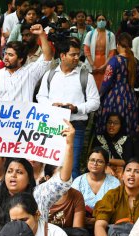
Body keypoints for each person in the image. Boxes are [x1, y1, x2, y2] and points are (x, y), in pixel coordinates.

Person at [37, 39, 99, 179]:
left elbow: (95, 102)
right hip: (51, 126)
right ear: (62, 56)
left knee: (73, 166)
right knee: (50, 164)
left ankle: (73, 199)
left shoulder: (86, 77)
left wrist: (76, 109)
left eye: (78, 54)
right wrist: (52, 106)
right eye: (73, 54)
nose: (77, 58)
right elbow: (40, 96)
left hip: (76, 126)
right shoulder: (50, 75)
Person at [93, 158, 139, 236]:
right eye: (128, 170)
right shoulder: (112, 195)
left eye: (137, 172)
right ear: (122, 175)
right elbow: (100, 225)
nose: (131, 174)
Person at [0, 24, 52, 102]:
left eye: (10, 55)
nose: (6, 58)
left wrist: (42, 34)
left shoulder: (30, 73)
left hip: (25, 113)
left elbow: (47, 56)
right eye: (5, 54)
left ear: (20, 59)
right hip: (2, 113)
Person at [96, 32, 139, 135]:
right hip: (130, 100)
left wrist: (99, 98)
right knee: (126, 128)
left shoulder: (115, 60)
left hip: (113, 99)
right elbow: (137, 84)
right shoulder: (136, 62)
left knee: (111, 126)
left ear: (118, 45)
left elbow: (106, 83)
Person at [9, 192, 76, 236]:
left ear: (37, 215)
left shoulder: (56, 234)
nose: (19, 225)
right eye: (14, 221)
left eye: (23, 220)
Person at [72, 147, 120, 228]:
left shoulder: (114, 183)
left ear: (106, 165)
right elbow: (72, 205)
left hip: (106, 225)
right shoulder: (78, 181)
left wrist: (99, 219)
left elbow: (117, 208)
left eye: (100, 161)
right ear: (87, 162)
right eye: (92, 160)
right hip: (80, 224)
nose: (95, 164)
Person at [94, 113, 133, 178]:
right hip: (100, 169)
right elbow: (93, 158)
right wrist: (105, 167)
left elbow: (127, 161)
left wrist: (106, 161)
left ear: (121, 125)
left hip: (120, 172)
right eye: (109, 122)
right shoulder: (99, 138)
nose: (112, 125)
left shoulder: (126, 140)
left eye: (116, 123)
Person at [84, 14, 116, 89]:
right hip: (92, 63)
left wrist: (104, 65)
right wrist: (92, 65)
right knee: (91, 87)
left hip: (105, 63)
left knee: (104, 87)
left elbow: (112, 52)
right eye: (99, 20)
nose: (101, 21)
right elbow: (86, 50)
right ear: (95, 22)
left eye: (103, 20)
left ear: (106, 22)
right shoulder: (90, 34)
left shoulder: (110, 35)